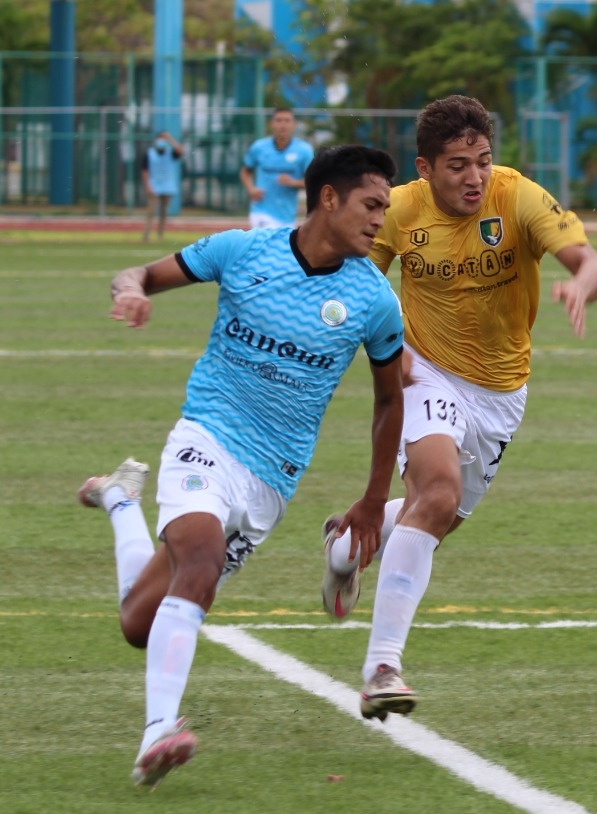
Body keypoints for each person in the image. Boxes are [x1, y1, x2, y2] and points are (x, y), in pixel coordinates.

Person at [77, 145, 405, 787]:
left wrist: (372, 498)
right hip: (206, 435)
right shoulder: (242, 250)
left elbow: (391, 397)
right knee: (196, 559)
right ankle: (157, 734)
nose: (380, 222)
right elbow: (134, 274)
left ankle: (119, 500)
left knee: (139, 624)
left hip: (270, 480)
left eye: (386, 209)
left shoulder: (373, 298)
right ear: (329, 199)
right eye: (371, 206)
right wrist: (129, 292)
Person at [317, 95, 597, 721]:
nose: (474, 177)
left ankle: (346, 546)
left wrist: (580, 283)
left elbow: (592, 265)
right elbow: (354, 277)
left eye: (481, 161)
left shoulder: (518, 196)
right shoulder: (395, 208)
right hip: (423, 371)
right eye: (456, 165)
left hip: (504, 392)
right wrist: (381, 343)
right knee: (440, 492)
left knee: (440, 517)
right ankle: (382, 668)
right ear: (424, 168)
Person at [239, 107, 315, 229]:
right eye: (278, 120)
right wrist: (251, 189)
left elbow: (313, 182)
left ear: (294, 124)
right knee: (265, 245)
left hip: (287, 215)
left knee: (283, 247)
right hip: (261, 211)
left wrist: (293, 182)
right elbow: (245, 171)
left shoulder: (304, 150)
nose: (282, 125)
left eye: (287, 120)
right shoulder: (259, 147)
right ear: (272, 124)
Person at [141, 131, 184, 242]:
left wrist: (170, 139)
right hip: (154, 186)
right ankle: (146, 236)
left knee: (163, 213)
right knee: (151, 212)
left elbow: (181, 150)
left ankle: (160, 236)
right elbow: (144, 171)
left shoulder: (170, 152)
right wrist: (148, 186)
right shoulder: (150, 153)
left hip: (167, 186)